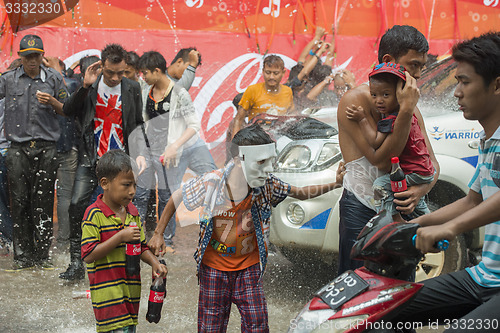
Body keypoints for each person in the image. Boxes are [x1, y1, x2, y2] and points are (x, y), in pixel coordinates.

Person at [147, 123, 343, 332]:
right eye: (261, 162)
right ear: (239, 161)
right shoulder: (212, 183)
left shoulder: (266, 184)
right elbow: (178, 197)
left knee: (257, 325)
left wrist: (335, 182)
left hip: (248, 270)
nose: (268, 168)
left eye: (269, 161)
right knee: (210, 327)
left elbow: (300, 192)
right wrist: (158, 233)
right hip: (214, 271)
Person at [394, 31, 500, 332]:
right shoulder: (488, 139)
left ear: (497, 84)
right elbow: (472, 200)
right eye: (457, 83)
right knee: (388, 309)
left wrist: (450, 228)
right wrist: (410, 226)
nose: (457, 93)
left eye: (465, 82)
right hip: (485, 275)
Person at [336, 25, 439, 275]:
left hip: (403, 209)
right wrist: (404, 112)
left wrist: (422, 189)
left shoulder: (408, 104)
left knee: (400, 290)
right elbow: (383, 163)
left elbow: (432, 164)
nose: (418, 74)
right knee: (358, 292)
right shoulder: (357, 101)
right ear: (388, 61)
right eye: (413, 65)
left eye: (421, 67)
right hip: (361, 208)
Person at [60, 43, 143, 280]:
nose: (116, 77)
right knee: (77, 204)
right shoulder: (90, 85)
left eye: (121, 72)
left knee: (123, 208)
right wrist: (85, 85)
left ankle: (126, 260)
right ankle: (77, 262)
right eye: (110, 73)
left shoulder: (133, 88)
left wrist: (139, 154)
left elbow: (137, 124)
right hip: (91, 158)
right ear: (102, 66)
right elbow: (68, 110)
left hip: (119, 162)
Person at [131, 51, 215, 253]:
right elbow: (143, 124)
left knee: (167, 196)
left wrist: (175, 146)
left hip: (168, 155)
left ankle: (166, 241)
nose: (143, 77)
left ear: (156, 71)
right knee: (141, 195)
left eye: (145, 73)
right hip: (149, 151)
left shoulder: (179, 94)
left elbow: (193, 126)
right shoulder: (146, 92)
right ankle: (138, 239)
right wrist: (140, 151)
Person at [81, 149, 168, 333]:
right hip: (108, 298)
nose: (132, 192)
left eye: (135, 186)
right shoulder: (94, 215)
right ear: (104, 183)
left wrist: (155, 263)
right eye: (126, 185)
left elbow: (141, 246)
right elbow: (88, 255)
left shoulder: (132, 212)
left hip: (131, 295)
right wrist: (120, 236)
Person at [0, 35, 68, 270]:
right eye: (27, 56)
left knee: (43, 201)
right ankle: (22, 256)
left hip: (46, 149)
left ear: (42, 56)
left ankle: (42, 255)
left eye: (36, 56)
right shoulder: (8, 80)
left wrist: (52, 102)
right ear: (20, 57)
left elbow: (66, 111)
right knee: (18, 202)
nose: (31, 60)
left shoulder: (53, 78)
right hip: (17, 149)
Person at [345, 62, 434, 222]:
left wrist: (363, 119)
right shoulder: (408, 113)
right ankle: (430, 221)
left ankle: (390, 220)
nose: (379, 101)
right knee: (417, 203)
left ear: (400, 94)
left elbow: (375, 141)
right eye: (374, 95)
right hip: (424, 171)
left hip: (413, 172)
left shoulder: (395, 118)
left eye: (386, 95)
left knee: (380, 184)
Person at [232, 55, 294, 136]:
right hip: (256, 137)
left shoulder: (287, 91)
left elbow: (291, 116)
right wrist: (234, 143)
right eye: (268, 72)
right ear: (263, 71)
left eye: (276, 73)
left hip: (279, 137)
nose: (271, 77)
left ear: (283, 73)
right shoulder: (252, 90)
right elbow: (239, 119)